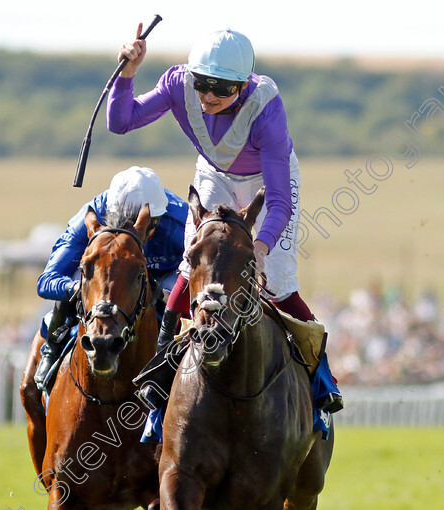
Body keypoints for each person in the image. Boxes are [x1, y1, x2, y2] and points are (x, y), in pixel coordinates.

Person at [108, 27, 342, 413]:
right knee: (194, 261)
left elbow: (279, 202)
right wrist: (128, 72)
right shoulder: (176, 83)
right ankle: (163, 362)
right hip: (214, 173)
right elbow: (120, 122)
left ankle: (321, 375)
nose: (208, 97)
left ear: (244, 85)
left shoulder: (266, 109)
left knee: (277, 284)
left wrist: (261, 248)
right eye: (202, 84)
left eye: (222, 89)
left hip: (268, 181)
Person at [31, 166, 186, 392]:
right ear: (110, 214)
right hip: (109, 275)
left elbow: (207, 274)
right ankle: (51, 349)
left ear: (156, 219)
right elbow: (46, 281)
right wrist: (78, 287)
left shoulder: (182, 223)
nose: (134, 231)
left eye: (141, 223)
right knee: (84, 281)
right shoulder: (89, 217)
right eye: (125, 221)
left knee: (178, 303)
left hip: (168, 274)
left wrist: (167, 296)